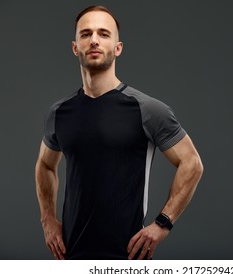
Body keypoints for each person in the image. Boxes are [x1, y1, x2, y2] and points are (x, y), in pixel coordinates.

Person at [35, 5, 203, 260]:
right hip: (71, 258)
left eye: (103, 34)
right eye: (86, 34)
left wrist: (162, 224)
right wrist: (47, 219)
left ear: (118, 47)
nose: (94, 40)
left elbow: (192, 163)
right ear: (75, 47)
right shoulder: (59, 112)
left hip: (127, 259)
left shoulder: (147, 109)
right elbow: (45, 166)